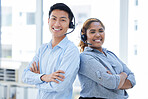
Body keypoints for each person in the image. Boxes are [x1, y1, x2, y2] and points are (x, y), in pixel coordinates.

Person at [22, 3, 80, 99]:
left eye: (62, 20)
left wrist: (37, 82)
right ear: (48, 21)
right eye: (54, 19)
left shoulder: (71, 50)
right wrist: (43, 77)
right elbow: (25, 75)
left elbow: (59, 86)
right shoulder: (43, 49)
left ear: (69, 24)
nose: (57, 24)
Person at [78, 18, 136, 99]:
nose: (98, 35)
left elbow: (132, 80)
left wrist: (116, 80)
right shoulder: (85, 58)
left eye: (101, 31)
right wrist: (123, 75)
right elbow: (111, 82)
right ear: (84, 36)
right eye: (92, 32)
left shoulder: (110, 54)